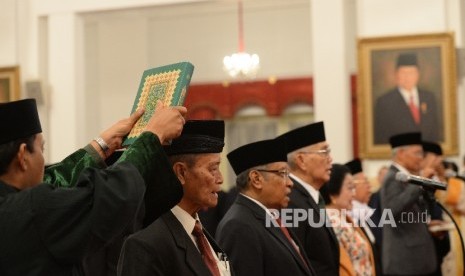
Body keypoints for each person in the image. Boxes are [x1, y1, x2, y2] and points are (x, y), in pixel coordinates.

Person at [0, 98, 186, 275]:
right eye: (42, 149)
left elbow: (54, 181)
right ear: (23, 156)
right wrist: (153, 136)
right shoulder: (32, 211)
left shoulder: (13, 204)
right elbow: (110, 195)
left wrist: (102, 145)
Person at [117, 120, 231, 276]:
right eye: (212, 169)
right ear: (181, 172)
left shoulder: (200, 233)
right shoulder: (147, 244)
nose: (220, 179)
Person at [216, 138, 314, 276]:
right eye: (283, 173)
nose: (290, 183)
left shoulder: (270, 216)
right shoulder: (238, 226)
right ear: (256, 179)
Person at [278, 121, 339, 275]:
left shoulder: (312, 197)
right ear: (301, 161)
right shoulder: (289, 200)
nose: (330, 159)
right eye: (324, 152)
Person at [380, 132, 438, 275]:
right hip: (404, 263)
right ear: (400, 153)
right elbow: (392, 210)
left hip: (417, 260)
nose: (421, 159)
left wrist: (428, 224)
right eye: (417, 153)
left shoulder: (408, 177)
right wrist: (420, 184)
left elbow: (411, 211)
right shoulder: (393, 178)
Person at [320, 164, 375, 276]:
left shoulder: (343, 217)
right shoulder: (334, 223)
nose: (354, 194)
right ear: (333, 194)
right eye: (350, 188)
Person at [374, 53, 441, 144]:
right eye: (403, 73)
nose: (407, 77)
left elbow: (436, 132)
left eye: (411, 72)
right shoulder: (385, 102)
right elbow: (381, 138)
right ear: (396, 75)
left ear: (418, 74)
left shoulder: (429, 98)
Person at [344, 158, 380, 275]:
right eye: (365, 182)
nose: (369, 187)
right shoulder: (350, 215)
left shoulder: (365, 212)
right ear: (352, 187)